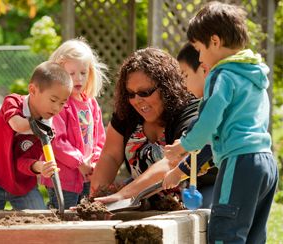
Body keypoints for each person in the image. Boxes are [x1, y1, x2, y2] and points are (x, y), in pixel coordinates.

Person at [163, 2, 278, 243]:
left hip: (240, 160)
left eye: (199, 49)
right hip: (266, 161)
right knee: (254, 235)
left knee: (225, 232)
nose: (201, 57)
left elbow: (209, 120)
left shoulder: (222, 74)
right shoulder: (252, 73)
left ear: (214, 41)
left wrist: (185, 144)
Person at [90, 47, 209, 207]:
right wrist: (96, 199)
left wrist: (122, 196)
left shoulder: (190, 111)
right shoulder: (127, 111)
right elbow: (110, 156)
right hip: (140, 200)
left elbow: (174, 161)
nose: (137, 100)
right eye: (130, 94)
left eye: (144, 92)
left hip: (195, 196)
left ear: (167, 88)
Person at [0, 61, 73, 210]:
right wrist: (39, 126)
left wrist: (39, 166)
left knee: (40, 220)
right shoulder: (13, 102)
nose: (56, 108)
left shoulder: (48, 129)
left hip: (22, 186)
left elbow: (22, 162)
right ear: (32, 90)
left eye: (62, 103)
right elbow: (17, 125)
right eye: (53, 100)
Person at [44, 38, 108, 209]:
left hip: (87, 175)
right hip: (63, 178)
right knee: (63, 213)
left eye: (83, 72)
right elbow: (55, 141)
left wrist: (94, 161)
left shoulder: (91, 104)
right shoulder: (59, 104)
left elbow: (99, 139)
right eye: (71, 74)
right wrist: (80, 162)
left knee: (85, 213)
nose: (78, 78)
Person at [162, 42, 218, 209]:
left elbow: (205, 143)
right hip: (263, 164)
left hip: (239, 170)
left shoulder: (213, 101)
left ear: (204, 69)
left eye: (185, 76)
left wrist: (178, 172)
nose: (184, 86)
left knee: (227, 230)